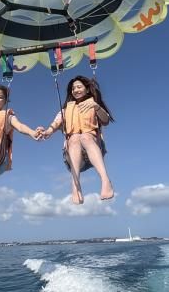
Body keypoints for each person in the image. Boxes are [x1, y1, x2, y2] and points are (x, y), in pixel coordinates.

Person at [40, 75, 114, 204]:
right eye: (73, 88)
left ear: (87, 89)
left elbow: (106, 120)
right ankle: (75, 185)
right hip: (73, 156)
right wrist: (46, 132)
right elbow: (55, 124)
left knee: (85, 136)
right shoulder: (65, 110)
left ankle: (105, 180)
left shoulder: (93, 104)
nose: (75, 90)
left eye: (79, 87)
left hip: (93, 147)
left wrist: (96, 106)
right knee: (74, 137)